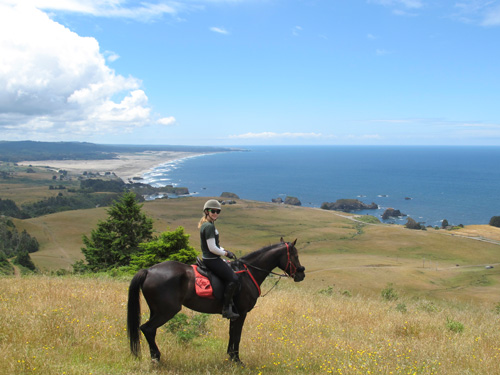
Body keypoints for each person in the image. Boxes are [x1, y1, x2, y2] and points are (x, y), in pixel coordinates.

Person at [198, 199, 240, 320]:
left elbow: (215, 245)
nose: (215, 213)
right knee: (233, 279)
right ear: (206, 211)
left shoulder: (208, 224)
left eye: (218, 211)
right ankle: (226, 309)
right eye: (213, 211)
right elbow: (212, 248)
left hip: (211, 258)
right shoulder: (209, 226)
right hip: (211, 259)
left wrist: (224, 250)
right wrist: (226, 253)